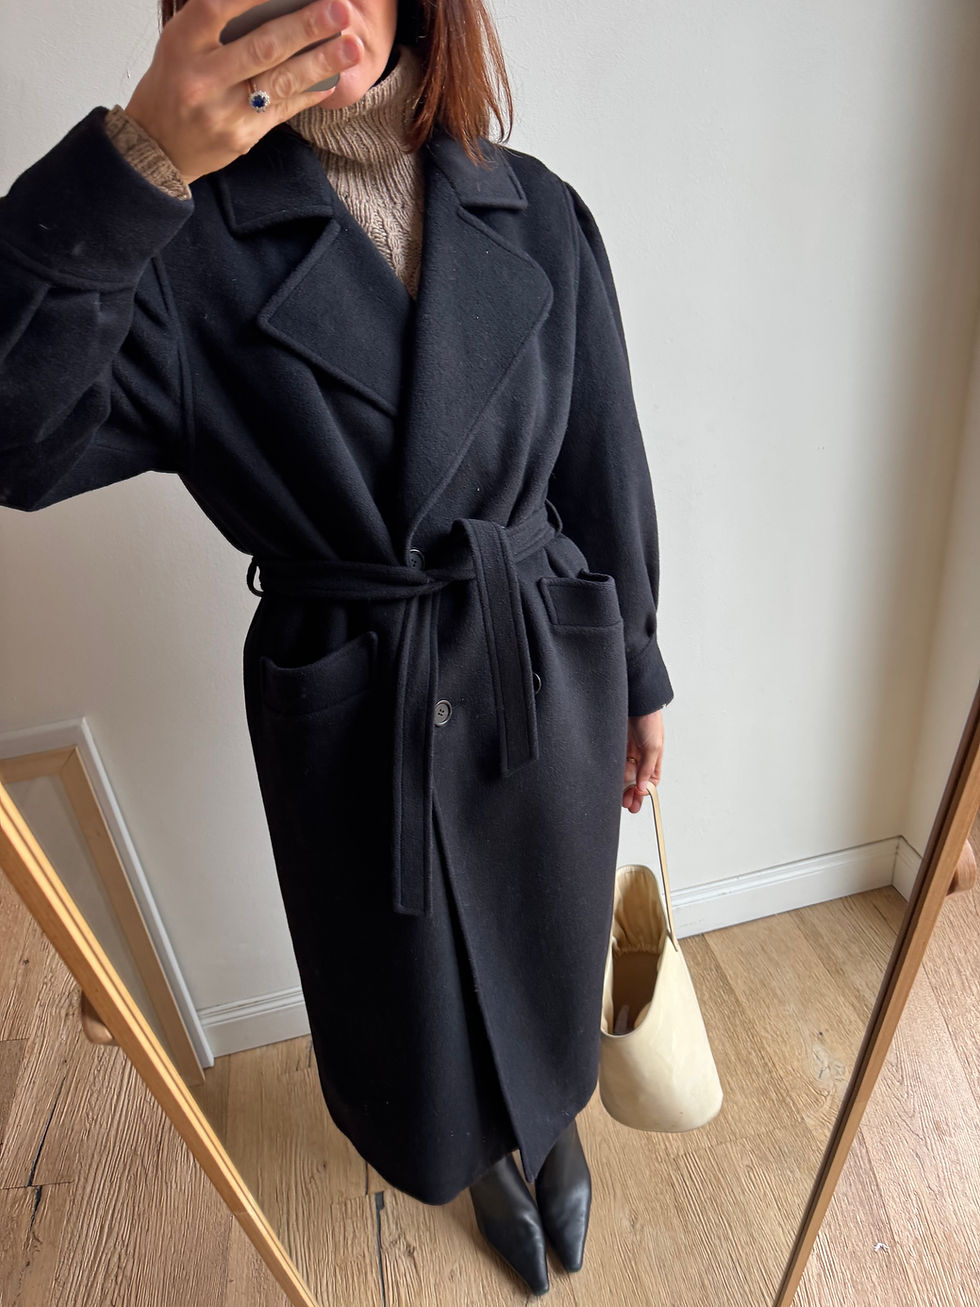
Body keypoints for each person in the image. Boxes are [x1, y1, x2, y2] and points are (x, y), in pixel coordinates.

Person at [0, 0, 673, 1295]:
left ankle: (551, 1123)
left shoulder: (537, 207)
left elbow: (605, 464)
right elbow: (17, 441)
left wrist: (639, 672)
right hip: (360, 693)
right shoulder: (179, 246)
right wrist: (137, 161)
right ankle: (476, 1153)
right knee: (410, 987)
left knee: (546, 931)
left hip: (541, 660)